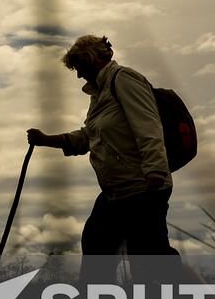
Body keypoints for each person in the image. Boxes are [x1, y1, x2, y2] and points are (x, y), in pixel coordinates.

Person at [27, 34, 180, 278]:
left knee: (149, 258)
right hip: (115, 192)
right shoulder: (100, 94)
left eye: (80, 67)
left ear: (92, 60)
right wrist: (48, 140)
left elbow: (148, 126)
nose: (78, 75)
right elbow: (90, 136)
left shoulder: (124, 79)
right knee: (97, 247)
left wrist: (155, 170)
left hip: (143, 187)